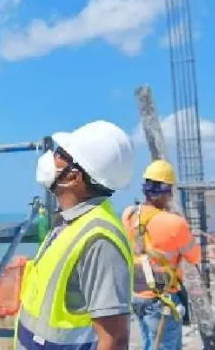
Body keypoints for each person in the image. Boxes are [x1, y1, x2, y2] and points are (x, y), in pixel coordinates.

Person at [15, 120, 134, 350]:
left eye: (60, 154)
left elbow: (115, 340)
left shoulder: (99, 241)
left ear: (74, 177)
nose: (52, 157)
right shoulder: (71, 223)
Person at [122, 160, 200, 350]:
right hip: (162, 299)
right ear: (168, 191)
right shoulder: (175, 223)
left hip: (137, 295)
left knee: (149, 344)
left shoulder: (129, 214)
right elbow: (194, 257)